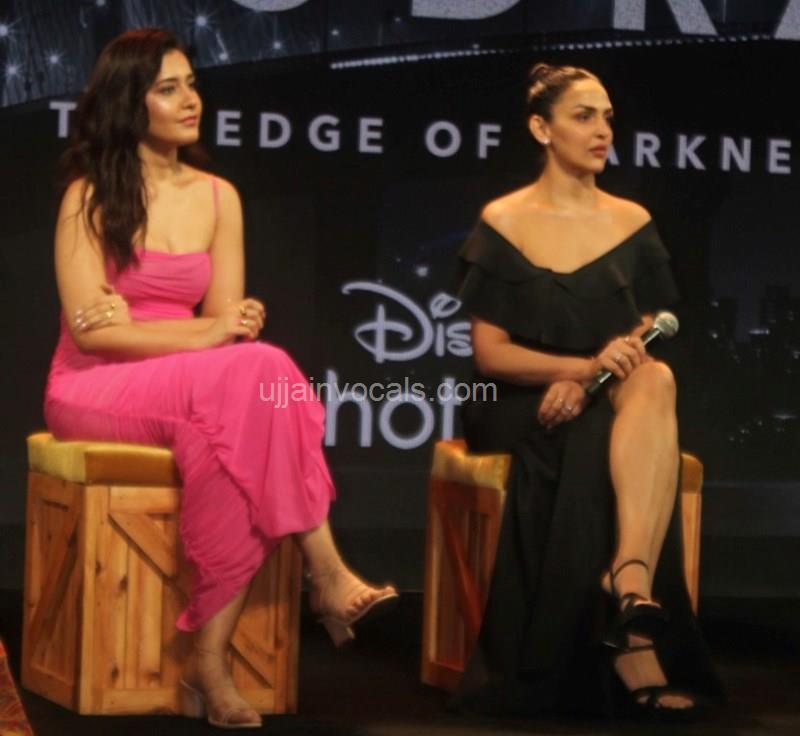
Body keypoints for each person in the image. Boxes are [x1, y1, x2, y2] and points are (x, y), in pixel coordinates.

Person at [45, 28, 397, 729]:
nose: (191, 100)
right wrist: (201, 333)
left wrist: (194, 330)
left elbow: (230, 327)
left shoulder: (219, 197)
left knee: (239, 413)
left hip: (191, 383)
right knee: (260, 372)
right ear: (129, 102)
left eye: (193, 85)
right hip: (95, 384)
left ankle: (209, 659)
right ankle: (325, 571)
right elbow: (94, 334)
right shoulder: (88, 197)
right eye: (168, 88)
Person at [451, 63, 722, 720]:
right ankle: (632, 641)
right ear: (541, 128)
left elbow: (644, 337)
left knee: (656, 376)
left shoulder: (632, 221)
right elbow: (491, 354)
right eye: (583, 116)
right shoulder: (504, 219)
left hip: (606, 389)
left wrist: (595, 375)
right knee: (603, 433)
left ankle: (628, 582)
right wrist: (573, 371)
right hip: (518, 399)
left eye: (608, 118)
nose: (603, 131)